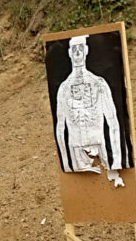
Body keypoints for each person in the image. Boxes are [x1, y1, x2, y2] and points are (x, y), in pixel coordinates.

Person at [53, 35, 130, 187]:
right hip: (76, 151)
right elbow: (60, 127)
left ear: (86, 51)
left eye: (80, 49)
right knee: (84, 189)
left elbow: (113, 122)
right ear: (69, 53)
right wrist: (67, 164)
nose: (77, 54)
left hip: (99, 145)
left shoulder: (99, 84)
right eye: (74, 50)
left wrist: (117, 161)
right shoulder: (64, 89)